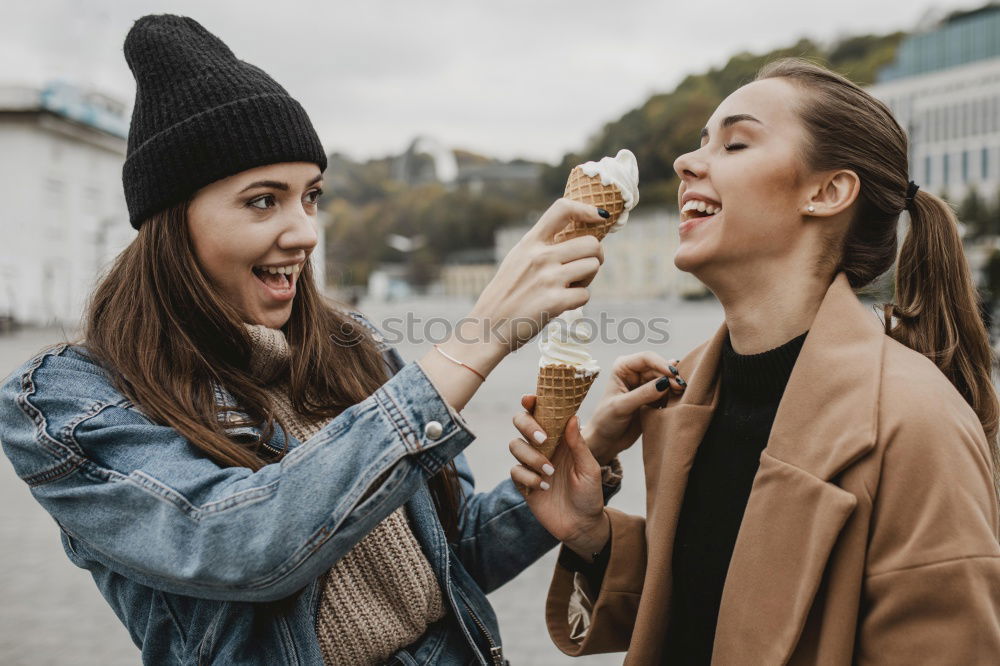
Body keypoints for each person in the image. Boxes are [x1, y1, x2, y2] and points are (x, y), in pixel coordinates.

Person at [0, 14, 633, 666]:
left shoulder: (355, 349)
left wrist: (543, 500)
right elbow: (236, 542)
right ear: (171, 221)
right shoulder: (66, 400)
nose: (305, 231)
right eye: (262, 201)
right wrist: (477, 340)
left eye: (312, 198)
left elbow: (449, 556)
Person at [509, 57, 1000, 664]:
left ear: (827, 192)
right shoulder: (682, 391)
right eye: (699, 143)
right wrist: (592, 535)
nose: (686, 163)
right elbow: (716, 613)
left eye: (735, 143)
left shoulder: (917, 423)